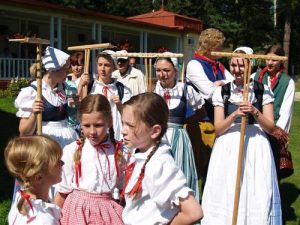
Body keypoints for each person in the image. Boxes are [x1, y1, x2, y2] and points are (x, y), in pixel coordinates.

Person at [201, 47, 282, 225]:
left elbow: (270, 127)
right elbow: (218, 128)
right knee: (227, 187)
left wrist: (254, 111)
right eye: (233, 65)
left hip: (255, 146)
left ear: (250, 66)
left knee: (254, 187)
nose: (237, 70)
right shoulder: (223, 91)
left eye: (241, 66)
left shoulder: (262, 90)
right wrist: (235, 114)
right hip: (227, 146)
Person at [121, 92, 203, 225]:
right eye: (123, 123)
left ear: (154, 131)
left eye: (130, 126)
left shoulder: (160, 164)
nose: (123, 130)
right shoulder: (142, 154)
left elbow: (194, 213)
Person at [54, 94, 126, 225]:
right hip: (77, 211)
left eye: (98, 125)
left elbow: (123, 190)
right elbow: (62, 192)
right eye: (87, 125)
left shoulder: (119, 152)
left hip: (107, 212)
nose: (92, 131)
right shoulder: (72, 151)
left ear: (109, 122)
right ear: (80, 123)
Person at [185, 28, 234, 185]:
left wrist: (220, 83)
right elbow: (210, 94)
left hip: (219, 122)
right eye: (219, 46)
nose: (222, 50)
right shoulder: (194, 64)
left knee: (217, 169)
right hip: (200, 122)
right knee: (200, 168)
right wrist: (222, 86)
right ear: (210, 47)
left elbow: (236, 85)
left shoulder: (218, 65)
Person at [153, 55, 205, 201]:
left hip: (179, 137)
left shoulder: (185, 90)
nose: (162, 74)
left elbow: (201, 111)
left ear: (175, 71)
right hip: (157, 137)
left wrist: (183, 122)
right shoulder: (153, 89)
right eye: (158, 70)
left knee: (180, 172)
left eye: (166, 70)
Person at [14, 46, 78, 148]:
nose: (68, 73)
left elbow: (74, 116)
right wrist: (34, 114)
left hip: (68, 140)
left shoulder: (65, 88)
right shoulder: (33, 92)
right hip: (46, 142)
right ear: (52, 70)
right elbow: (23, 132)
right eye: (65, 69)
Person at [254, 44, 295, 178]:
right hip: (255, 127)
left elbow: (286, 110)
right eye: (268, 59)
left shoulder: (287, 82)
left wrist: (277, 132)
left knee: (272, 167)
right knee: (255, 166)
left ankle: (273, 197)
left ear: (281, 61)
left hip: (274, 129)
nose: (270, 62)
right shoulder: (256, 76)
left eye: (274, 60)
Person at [5, 135, 63, 225]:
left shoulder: (21, 199)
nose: (62, 163)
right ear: (39, 178)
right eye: (57, 162)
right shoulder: (42, 220)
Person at [89, 52, 132, 141]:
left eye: (107, 65)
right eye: (100, 65)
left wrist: (119, 105)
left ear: (114, 67)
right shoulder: (90, 86)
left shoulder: (122, 89)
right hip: (94, 133)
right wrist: (81, 86)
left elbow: (128, 115)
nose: (102, 69)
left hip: (115, 134)